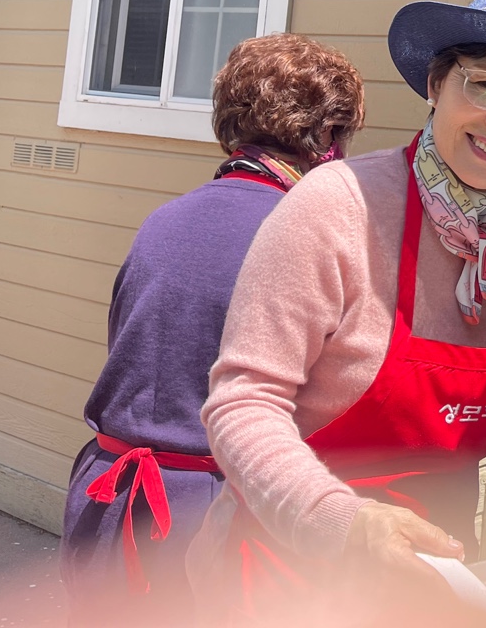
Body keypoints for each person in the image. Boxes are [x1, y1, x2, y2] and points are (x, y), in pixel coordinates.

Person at [186, 0, 486, 624]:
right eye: (485, 84)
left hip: (434, 587)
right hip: (287, 580)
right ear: (436, 84)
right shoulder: (335, 206)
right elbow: (242, 403)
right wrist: (344, 524)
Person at [60, 34, 366, 626]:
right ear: (327, 141)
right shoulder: (302, 237)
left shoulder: (162, 220)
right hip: (208, 522)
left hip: (107, 502)